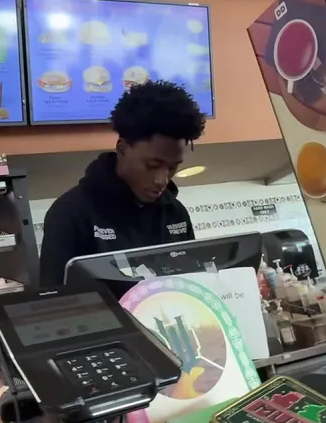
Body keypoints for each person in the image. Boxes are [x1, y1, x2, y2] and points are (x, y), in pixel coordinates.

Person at [38, 80, 206, 288]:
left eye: (172, 167)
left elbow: (189, 288)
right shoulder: (71, 213)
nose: (161, 180)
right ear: (122, 149)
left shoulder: (175, 213)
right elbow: (55, 300)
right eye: (152, 165)